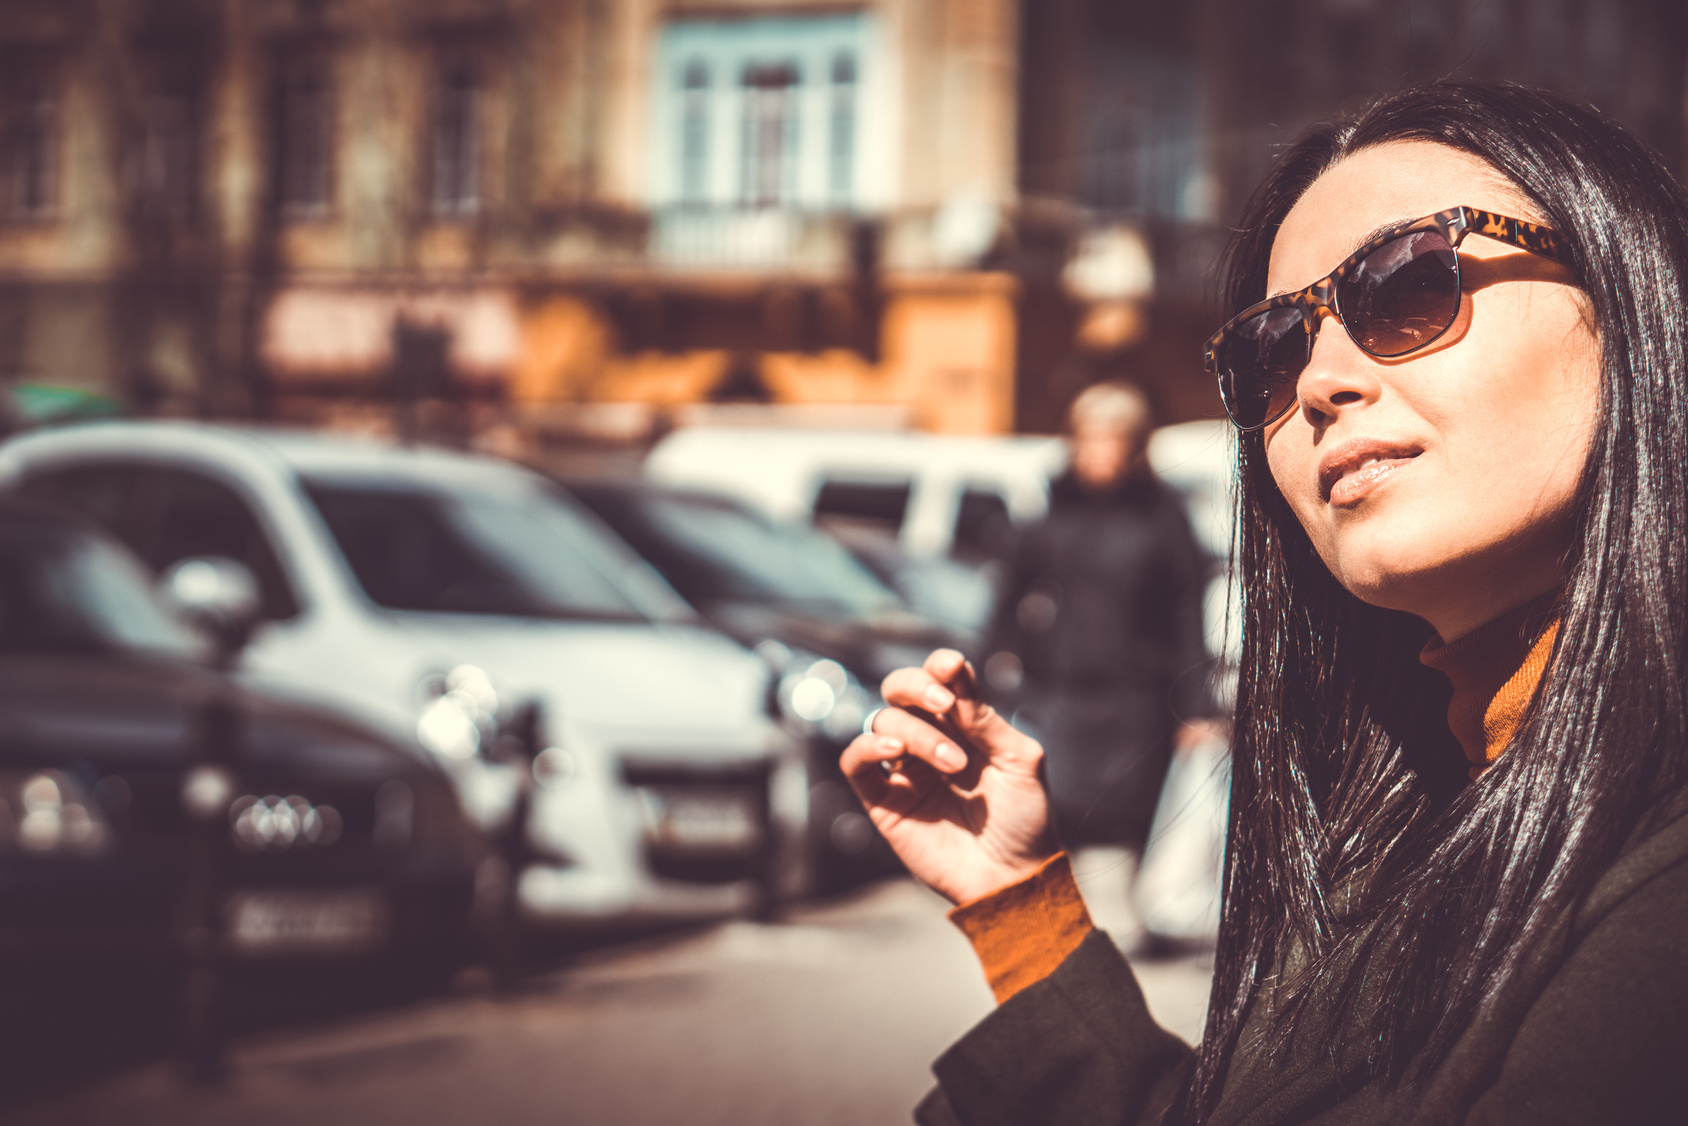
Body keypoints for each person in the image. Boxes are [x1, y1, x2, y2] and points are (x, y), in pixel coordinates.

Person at [842, 81, 1688, 1126]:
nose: (1321, 380)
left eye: (1410, 279)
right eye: (1271, 348)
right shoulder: (1421, 794)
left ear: (1631, 302)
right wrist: (1019, 910)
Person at [980, 381, 1217, 932]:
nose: (1098, 452)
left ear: (1135, 449)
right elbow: (1006, 603)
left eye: (1112, 440)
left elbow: (1186, 615)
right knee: (1060, 808)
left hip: (1138, 701)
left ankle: (1134, 918)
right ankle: (1060, 922)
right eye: (1089, 439)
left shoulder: (1162, 520)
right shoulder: (1052, 516)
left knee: (1131, 815)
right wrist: (989, 674)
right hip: (1063, 696)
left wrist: (1197, 705)